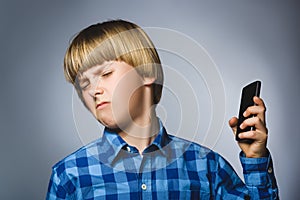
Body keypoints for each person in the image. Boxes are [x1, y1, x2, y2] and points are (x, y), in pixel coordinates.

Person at [46, 19, 278, 199]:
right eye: (84, 84)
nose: (94, 90)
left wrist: (255, 159)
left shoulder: (206, 166)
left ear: (147, 73)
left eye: (105, 74)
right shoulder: (69, 175)